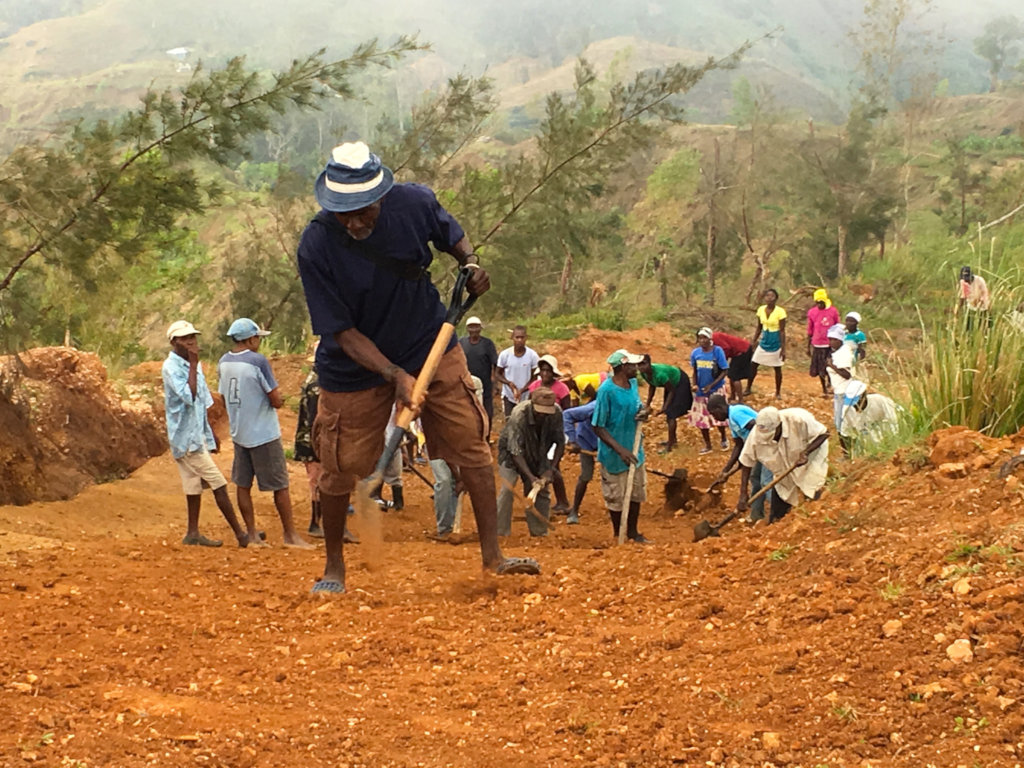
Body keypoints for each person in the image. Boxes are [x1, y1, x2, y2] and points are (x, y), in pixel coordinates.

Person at [295, 141, 539, 593]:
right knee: (340, 465)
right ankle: (334, 568)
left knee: (470, 443)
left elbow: (453, 236)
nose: (355, 222)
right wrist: (394, 375)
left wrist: (470, 263)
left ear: (382, 197)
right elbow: (341, 331)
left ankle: (493, 558)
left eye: (364, 211)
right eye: (344, 213)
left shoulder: (415, 203)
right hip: (353, 365)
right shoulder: (316, 245)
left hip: (429, 342)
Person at [218, 318, 311, 549]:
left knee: (243, 485)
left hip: (239, 432)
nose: (258, 342)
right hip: (263, 432)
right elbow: (275, 399)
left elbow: (223, 396)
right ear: (250, 339)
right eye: (257, 338)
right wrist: (281, 400)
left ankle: (251, 535)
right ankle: (290, 535)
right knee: (280, 485)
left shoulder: (224, 361)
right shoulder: (258, 361)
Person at [161, 320, 248, 548]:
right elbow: (189, 396)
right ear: (174, 342)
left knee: (192, 484)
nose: (191, 342)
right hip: (185, 438)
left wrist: (210, 432)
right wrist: (193, 364)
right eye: (185, 338)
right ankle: (241, 534)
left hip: (194, 436)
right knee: (218, 482)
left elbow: (201, 401)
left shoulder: (194, 365)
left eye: (192, 337)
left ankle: (193, 533)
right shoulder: (172, 367)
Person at [294, 354, 359, 543]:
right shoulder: (318, 386)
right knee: (331, 482)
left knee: (318, 483)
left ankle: (316, 524)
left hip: (311, 442)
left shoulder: (314, 382)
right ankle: (337, 528)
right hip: (318, 443)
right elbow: (319, 420)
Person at [592, 349, 650, 544]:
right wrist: (620, 450)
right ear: (623, 367)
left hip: (634, 448)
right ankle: (619, 534)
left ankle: (633, 533)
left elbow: (638, 407)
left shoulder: (632, 384)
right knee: (616, 496)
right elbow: (598, 426)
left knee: (635, 492)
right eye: (633, 365)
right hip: (614, 454)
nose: (637, 368)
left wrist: (644, 412)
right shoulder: (606, 391)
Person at [736, 406, 829, 524]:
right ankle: (777, 523)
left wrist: (806, 453)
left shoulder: (798, 420)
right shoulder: (755, 435)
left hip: (810, 456)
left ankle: (814, 517)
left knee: (812, 486)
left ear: (779, 425)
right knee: (780, 501)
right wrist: (743, 493)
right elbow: (746, 462)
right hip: (782, 467)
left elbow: (825, 433)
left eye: (772, 434)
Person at [496, 388, 565, 537]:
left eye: (546, 412)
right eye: (540, 412)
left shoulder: (556, 413)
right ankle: (500, 532)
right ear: (532, 404)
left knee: (542, 491)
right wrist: (531, 477)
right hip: (510, 454)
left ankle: (539, 532)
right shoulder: (519, 415)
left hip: (538, 451)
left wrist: (551, 468)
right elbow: (515, 451)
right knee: (507, 489)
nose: (543, 415)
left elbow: (560, 442)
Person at [707, 394, 771, 523]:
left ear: (719, 408)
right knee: (755, 479)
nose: (715, 418)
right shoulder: (731, 420)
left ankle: (779, 513)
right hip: (757, 450)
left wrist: (743, 492)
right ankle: (756, 514)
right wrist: (726, 470)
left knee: (766, 481)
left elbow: (756, 426)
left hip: (767, 447)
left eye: (714, 414)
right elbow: (738, 445)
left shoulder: (736, 413)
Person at [526, 354, 572, 511]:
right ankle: (541, 499)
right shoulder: (534, 386)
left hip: (554, 432)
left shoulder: (561, 389)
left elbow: (567, 412)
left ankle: (562, 501)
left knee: (553, 466)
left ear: (553, 372)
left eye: (548, 370)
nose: (545, 374)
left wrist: (566, 434)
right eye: (543, 370)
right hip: (537, 432)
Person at [638, 354, 692, 452]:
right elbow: (652, 386)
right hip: (670, 385)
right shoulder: (644, 374)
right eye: (639, 364)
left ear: (649, 363)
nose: (641, 367)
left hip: (679, 381)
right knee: (669, 413)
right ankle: (673, 440)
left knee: (671, 414)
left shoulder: (660, 374)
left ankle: (670, 446)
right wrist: (648, 404)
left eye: (643, 364)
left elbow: (671, 391)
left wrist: (664, 407)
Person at [689, 328, 730, 454]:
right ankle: (708, 445)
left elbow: (724, 371)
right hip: (701, 391)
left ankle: (724, 438)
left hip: (716, 390)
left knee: (720, 416)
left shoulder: (717, 351)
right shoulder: (695, 353)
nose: (702, 340)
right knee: (702, 419)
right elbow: (695, 371)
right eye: (700, 338)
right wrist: (695, 384)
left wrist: (711, 385)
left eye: (705, 338)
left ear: (710, 338)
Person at [458, 316, 498, 436]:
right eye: (471, 327)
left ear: (480, 328)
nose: (474, 330)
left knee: (486, 413)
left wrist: (495, 383)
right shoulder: (462, 343)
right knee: (469, 414)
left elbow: (495, 364)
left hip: (485, 387)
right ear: (467, 329)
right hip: (467, 386)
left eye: (476, 327)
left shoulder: (487, 344)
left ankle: (486, 438)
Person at [563, 399, 599, 525]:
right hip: (586, 440)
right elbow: (567, 415)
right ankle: (574, 510)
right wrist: (572, 441)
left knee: (612, 475)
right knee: (586, 475)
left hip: (607, 442)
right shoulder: (594, 407)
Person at [749, 288, 787, 399]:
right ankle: (748, 388)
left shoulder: (780, 312)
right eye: (767, 296)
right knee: (753, 364)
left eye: (772, 296)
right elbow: (759, 327)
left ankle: (778, 392)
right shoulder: (761, 310)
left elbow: (782, 330)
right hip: (764, 340)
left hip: (775, 340)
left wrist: (783, 348)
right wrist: (753, 341)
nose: (769, 298)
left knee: (777, 368)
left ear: (776, 298)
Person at [839, 380, 899, 449]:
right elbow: (845, 434)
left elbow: (894, 421)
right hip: (870, 444)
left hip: (888, 438)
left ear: (864, 395)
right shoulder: (847, 412)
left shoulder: (880, 401)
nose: (856, 406)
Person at [496, 326, 539, 417]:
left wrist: (522, 390)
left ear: (526, 338)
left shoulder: (532, 356)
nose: (519, 340)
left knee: (524, 421)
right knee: (509, 420)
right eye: (517, 337)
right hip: (508, 396)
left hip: (526, 396)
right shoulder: (505, 355)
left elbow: (534, 378)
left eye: (522, 337)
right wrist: (509, 383)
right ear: (512, 338)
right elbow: (497, 374)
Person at [824, 323, 856, 446]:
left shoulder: (844, 353)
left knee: (842, 424)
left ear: (840, 340)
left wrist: (832, 366)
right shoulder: (839, 352)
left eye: (834, 340)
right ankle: (848, 451)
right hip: (840, 392)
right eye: (830, 339)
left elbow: (847, 374)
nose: (831, 342)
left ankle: (847, 451)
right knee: (842, 423)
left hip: (844, 392)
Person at [807, 288, 840, 396]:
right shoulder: (812, 312)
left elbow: (837, 326)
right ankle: (824, 389)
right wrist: (808, 346)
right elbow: (810, 330)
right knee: (820, 368)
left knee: (830, 366)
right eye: (818, 302)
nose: (820, 305)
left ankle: (830, 383)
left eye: (821, 302)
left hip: (830, 344)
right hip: (817, 344)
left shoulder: (833, 311)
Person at [712, 330, 754, 403]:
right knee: (731, 375)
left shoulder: (715, 338)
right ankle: (733, 396)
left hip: (742, 351)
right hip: (740, 350)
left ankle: (740, 400)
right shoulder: (714, 337)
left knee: (735, 376)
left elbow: (726, 348)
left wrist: (723, 361)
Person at [958, 266, 991, 330]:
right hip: (971, 306)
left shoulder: (980, 280)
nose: (967, 281)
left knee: (984, 326)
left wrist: (981, 301)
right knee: (968, 327)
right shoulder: (963, 282)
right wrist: (959, 307)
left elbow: (985, 293)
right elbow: (963, 295)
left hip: (982, 306)